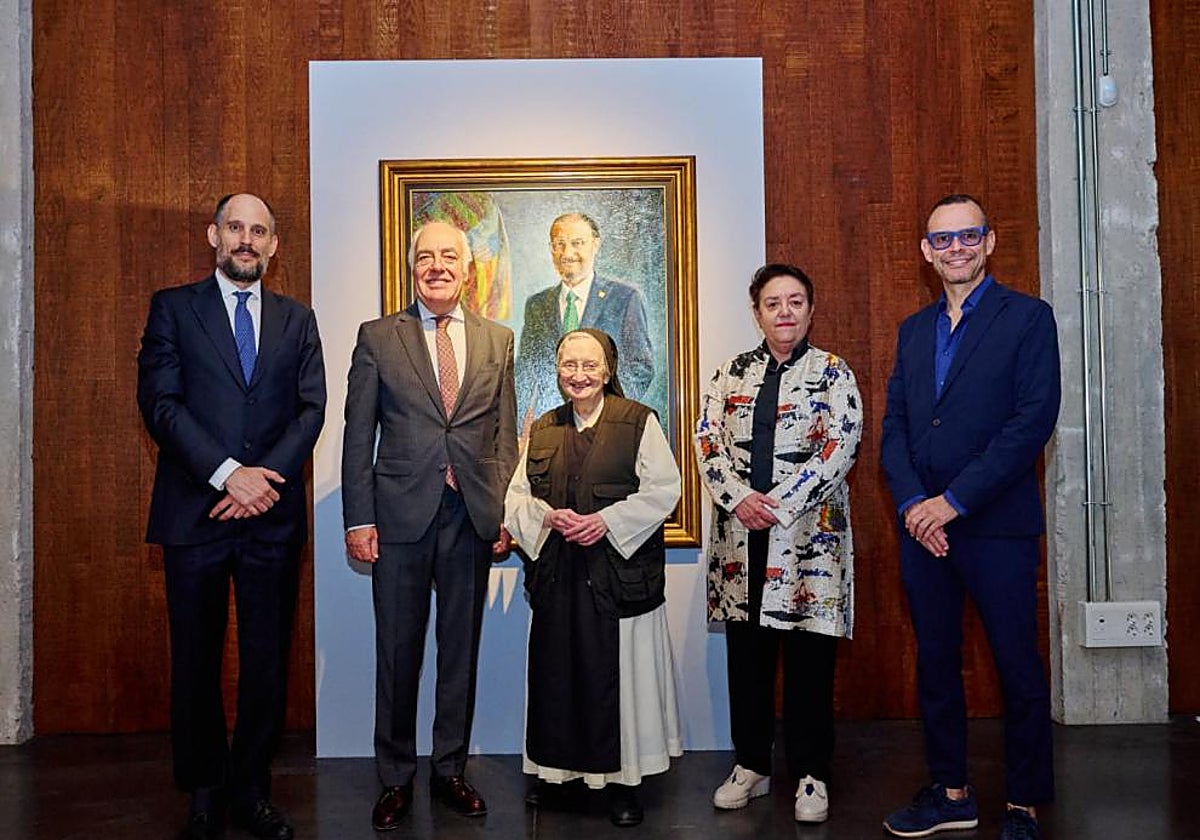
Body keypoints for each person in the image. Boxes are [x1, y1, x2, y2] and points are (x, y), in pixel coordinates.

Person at [137, 193, 326, 840]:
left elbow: (311, 411)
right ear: (214, 235)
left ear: (274, 245)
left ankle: (251, 788)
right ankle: (204, 788)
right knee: (195, 658)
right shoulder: (173, 309)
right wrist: (227, 475)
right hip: (196, 513)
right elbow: (160, 405)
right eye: (236, 228)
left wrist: (260, 482)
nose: (247, 240)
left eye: (260, 231)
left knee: (267, 661)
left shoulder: (298, 320)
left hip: (271, 519)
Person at [880, 194, 1060, 840]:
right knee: (934, 663)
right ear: (926, 253)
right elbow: (896, 427)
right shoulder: (911, 330)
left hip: (996, 528)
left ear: (989, 243)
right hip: (923, 534)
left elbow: (1029, 424)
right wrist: (911, 506)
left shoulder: (1029, 319)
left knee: (1018, 668)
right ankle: (951, 791)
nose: (955, 248)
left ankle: (1024, 804)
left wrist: (950, 502)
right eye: (943, 240)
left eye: (968, 236)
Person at [341, 220, 518, 830]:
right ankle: (394, 779)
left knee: (459, 653)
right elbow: (357, 433)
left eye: (449, 256)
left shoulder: (498, 339)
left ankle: (449, 771)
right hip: (397, 520)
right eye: (425, 256)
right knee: (397, 652)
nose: (436, 265)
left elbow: (502, 434)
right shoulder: (377, 337)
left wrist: (503, 512)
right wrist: (358, 518)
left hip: (469, 516)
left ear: (468, 269)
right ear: (411, 266)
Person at [694, 263, 862, 825]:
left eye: (795, 302)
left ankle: (811, 774)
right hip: (741, 544)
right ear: (757, 312)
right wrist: (739, 498)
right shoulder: (729, 375)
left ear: (811, 310)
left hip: (809, 544)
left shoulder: (834, 375)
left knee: (812, 665)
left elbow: (841, 448)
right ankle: (751, 765)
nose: (784, 311)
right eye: (773, 303)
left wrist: (780, 503)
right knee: (748, 663)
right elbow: (706, 440)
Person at [504, 328, 682, 828]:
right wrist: (545, 516)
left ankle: (625, 785)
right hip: (559, 578)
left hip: (616, 578)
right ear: (558, 370)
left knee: (617, 684)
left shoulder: (638, 422)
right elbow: (516, 498)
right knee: (556, 677)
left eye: (589, 365)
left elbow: (665, 490)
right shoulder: (542, 428)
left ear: (608, 370)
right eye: (569, 365)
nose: (578, 375)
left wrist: (607, 521)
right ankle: (556, 775)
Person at [515, 213, 654, 425]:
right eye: (559, 244)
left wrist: (609, 415)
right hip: (551, 429)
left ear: (595, 245)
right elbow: (525, 372)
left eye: (577, 243)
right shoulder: (536, 305)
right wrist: (522, 427)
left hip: (607, 430)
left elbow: (639, 368)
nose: (567, 253)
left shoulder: (624, 299)